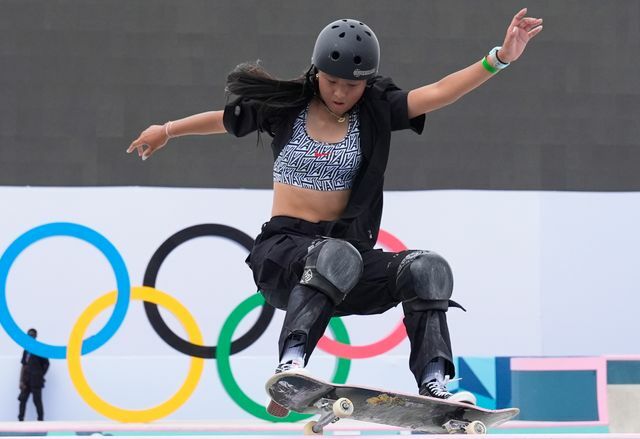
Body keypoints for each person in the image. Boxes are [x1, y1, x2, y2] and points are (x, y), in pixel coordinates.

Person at [128, 9, 542, 415]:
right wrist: (166, 130)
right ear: (316, 73)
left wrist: (499, 58)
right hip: (282, 257)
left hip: (344, 266)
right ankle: (290, 366)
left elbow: (439, 91)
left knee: (426, 268)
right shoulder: (287, 107)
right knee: (334, 253)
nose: (341, 93)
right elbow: (220, 120)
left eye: (352, 85)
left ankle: (434, 383)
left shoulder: (376, 110)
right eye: (331, 82)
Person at [18, 328, 49, 421]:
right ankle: (20, 419)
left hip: (36, 381)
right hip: (26, 380)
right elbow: (23, 365)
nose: (30, 337)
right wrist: (21, 380)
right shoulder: (26, 350)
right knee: (22, 399)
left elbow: (46, 364)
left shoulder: (40, 349)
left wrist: (40, 374)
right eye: (29, 335)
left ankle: (40, 420)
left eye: (32, 335)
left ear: (35, 336)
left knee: (37, 401)